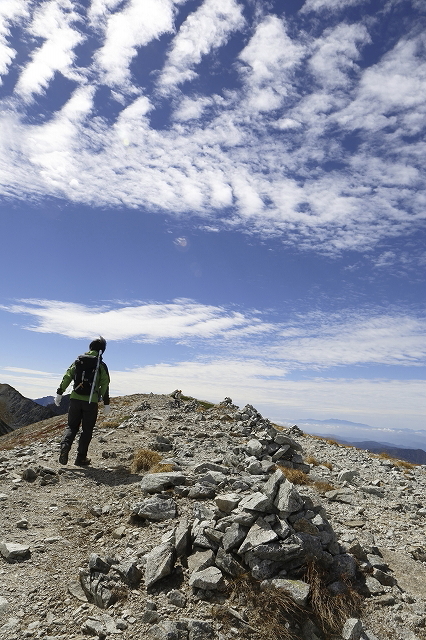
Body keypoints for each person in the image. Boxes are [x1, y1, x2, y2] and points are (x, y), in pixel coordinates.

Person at [55, 337, 110, 466]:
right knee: (87, 430)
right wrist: (106, 403)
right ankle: (80, 458)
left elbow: (67, 376)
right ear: (102, 350)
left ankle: (65, 447)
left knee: (72, 427)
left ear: (90, 348)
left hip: (74, 398)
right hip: (90, 402)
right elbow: (105, 385)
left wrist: (59, 392)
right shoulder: (100, 365)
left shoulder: (78, 361)